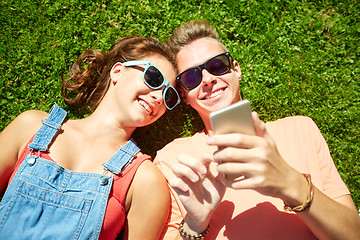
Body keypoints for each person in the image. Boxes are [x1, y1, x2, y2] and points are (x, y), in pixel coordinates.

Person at [154, 20, 360, 239]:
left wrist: (290, 183)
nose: (207, 80)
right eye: (191, 77)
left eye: (216, 66)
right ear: (184, 95)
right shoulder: (172, 160)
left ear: (236, 69)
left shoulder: (300, 129)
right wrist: (195, 224)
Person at [0, 36, 180, 239]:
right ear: (118, 71)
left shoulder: (145, 181)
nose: (158, 97)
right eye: (154, 78)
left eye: (169, 95)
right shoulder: (31, 126)